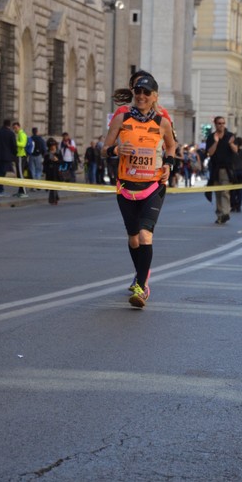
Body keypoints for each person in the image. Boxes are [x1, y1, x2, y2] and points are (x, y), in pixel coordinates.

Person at [102, 75, 175, 308]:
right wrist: (115, 149)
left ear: (155, 96)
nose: (141, 96)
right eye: (138, 92)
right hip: (126, 186)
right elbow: (103, 149)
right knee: (134, 239)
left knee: (145, 235)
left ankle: (142, 286)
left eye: (146, 93)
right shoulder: (122, 117)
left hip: (153, 186)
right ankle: (139, 273)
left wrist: (168, 165)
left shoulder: (163, 121)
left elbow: (171, 145)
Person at [205, 116, 237, 224]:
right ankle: (220, 214)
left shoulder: (230, 136)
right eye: (219, 123)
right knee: (218, 193)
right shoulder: (211, 137)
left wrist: (231, 143)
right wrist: (216, 142)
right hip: (215, 169)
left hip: (227, 169)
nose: (221, 125)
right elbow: (210, 153)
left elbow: (236, 150)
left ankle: (225, 213)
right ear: (215, 124)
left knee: (225, 192)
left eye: (223, 123)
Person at [0, 119, 17, 197]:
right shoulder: (11, 134)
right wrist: (14, 155)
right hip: (6, 157)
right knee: (2, 174)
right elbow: (13, 146)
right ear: (9, 125)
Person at [230, 136, 242, 212]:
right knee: (240, 189)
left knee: (233, 189)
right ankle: (239, 205)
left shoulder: (232, 151)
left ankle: (233, 204)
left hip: (233, 171)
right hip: (241, 171)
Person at [43, 138, 62, 205]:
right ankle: (54, 198)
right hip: (50, 171)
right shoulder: (47, 153)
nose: (53, 147)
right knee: (51, 186)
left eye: (54, 145)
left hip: (56, 171)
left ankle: (53, 199)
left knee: (54, 186)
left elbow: (62, 162)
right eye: (51, 146)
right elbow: (45, 163)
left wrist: (57, 160)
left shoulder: (58, 152)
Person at [12, 122, 28, 197]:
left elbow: (23, 144)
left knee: (21, 174)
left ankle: (24, 192)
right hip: (18, 155)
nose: (14, 129)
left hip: (21, 156)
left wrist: (15, 142)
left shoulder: (22, 134)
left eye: (15, 128)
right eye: (13, 128)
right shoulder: (19, 134)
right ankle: (20, 191)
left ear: (19, 127)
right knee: (18, 174)